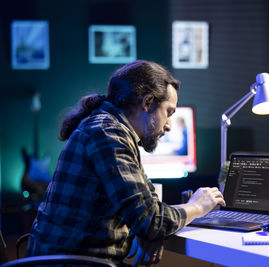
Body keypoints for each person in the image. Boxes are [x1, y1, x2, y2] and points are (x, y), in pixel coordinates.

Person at [25, 60, 225, 266]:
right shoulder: (108, 133)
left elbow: (146, 213)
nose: (169, 126)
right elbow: (151, 221)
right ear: (148, 103)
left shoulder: (109, 127)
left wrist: (148, 232)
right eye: (169, 112)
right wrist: (198, 206)